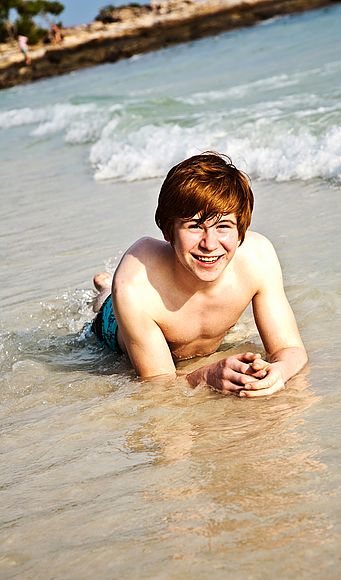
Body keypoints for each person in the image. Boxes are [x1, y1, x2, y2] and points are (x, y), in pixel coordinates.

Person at [91, 152, 307, 397]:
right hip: (114, 328)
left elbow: (290, 348)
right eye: (194, 226)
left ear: (240, 231)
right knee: (107, 304)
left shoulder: (257, 258)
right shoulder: (136, 285)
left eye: (223, 226)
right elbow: (157, 384)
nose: (210, 244)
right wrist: (206, 375)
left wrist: (279, 371)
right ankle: (106, 290)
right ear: (168, 230)